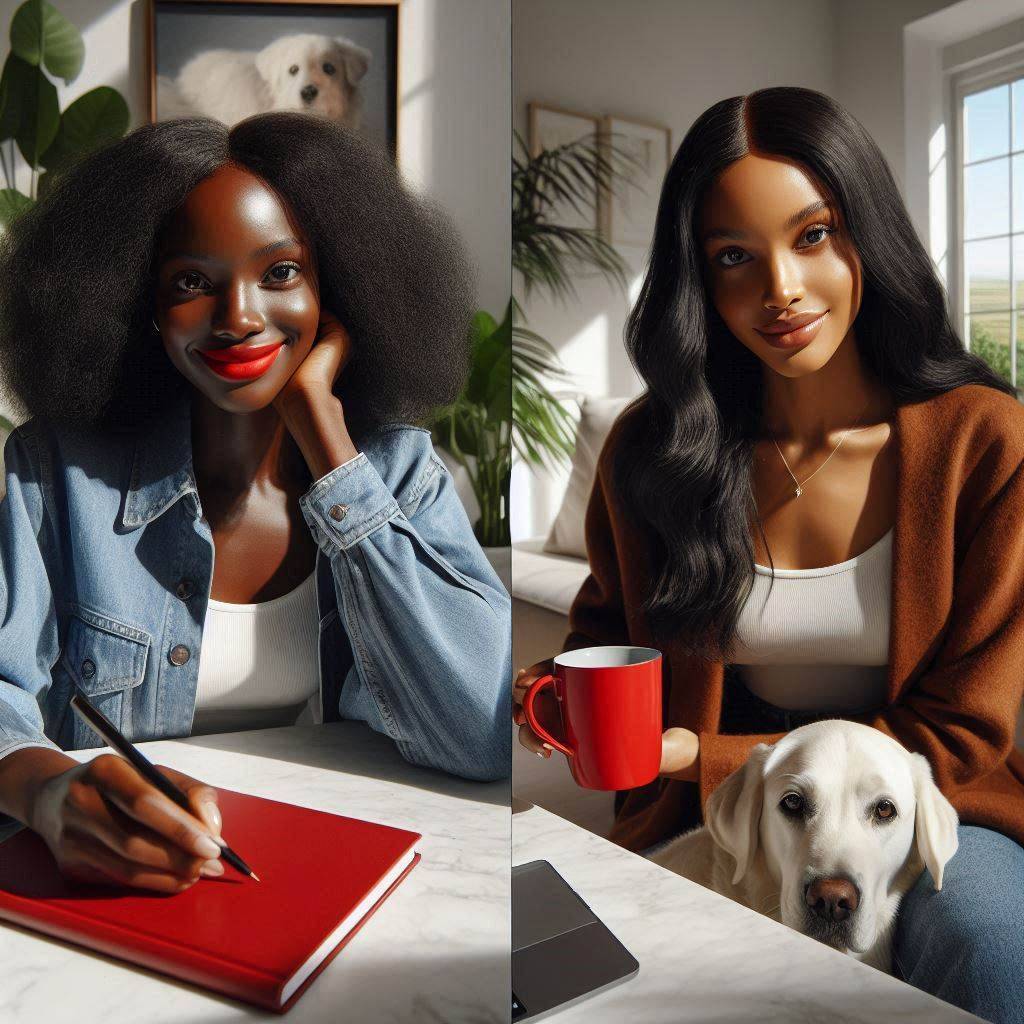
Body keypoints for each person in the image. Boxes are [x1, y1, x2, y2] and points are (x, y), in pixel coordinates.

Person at [513, 87, 1024, 1021]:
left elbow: (964, 730)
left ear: (868, 234)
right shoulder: (652, 450)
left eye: (815, 235)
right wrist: (550, 691)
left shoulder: (985, 444)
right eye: (734, 258)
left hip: (938, 800)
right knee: (543, 960)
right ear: (697, 282)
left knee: (994, 958)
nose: (780, 289)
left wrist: (698, 756)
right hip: (726, 809)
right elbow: (607, 634)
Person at [0, 112, 510, 895]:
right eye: (192, 282)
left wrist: (329, 446)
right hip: (117, 888)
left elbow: (482, 731)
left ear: (338, 289)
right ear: (141, 305)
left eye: (280, 273)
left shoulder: (397, 471)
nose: (238, 315)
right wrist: (44, 790)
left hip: (328, 870)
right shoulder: (54, 474)